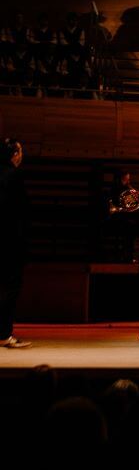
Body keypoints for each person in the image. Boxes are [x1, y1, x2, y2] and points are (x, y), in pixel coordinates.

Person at [0, 138, 31, 348]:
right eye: (20, 152)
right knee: (10, 288)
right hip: (10, 241)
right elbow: (21, 211)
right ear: (15, 154)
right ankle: (4, 334)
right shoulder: (15, 175)